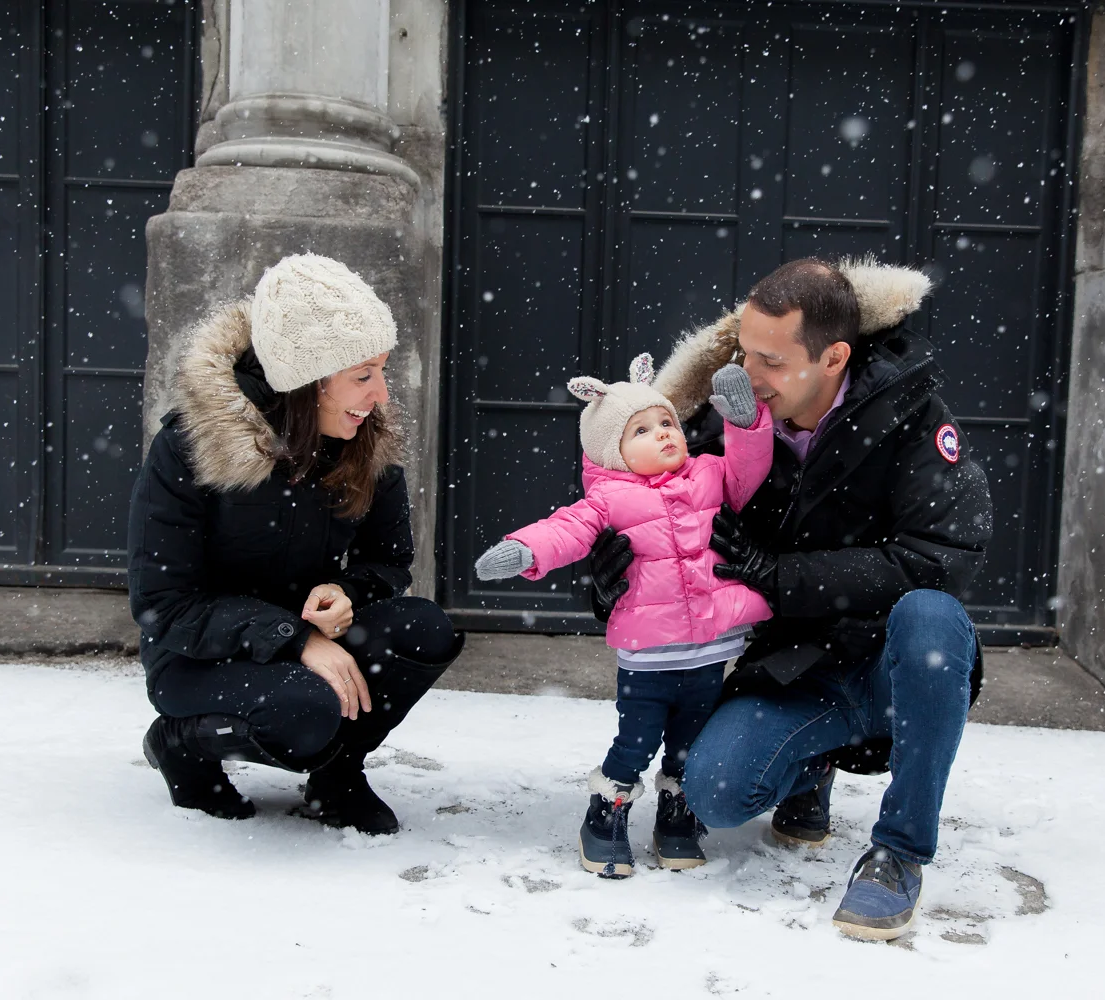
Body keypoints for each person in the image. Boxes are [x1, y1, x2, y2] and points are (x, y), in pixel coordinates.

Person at [586, 257, 993, 939]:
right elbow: (677, 546)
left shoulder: (916, 417)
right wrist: (612, 586)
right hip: (797, 660)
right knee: (716, 794)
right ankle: (813, 769)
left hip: (890, 659)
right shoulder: (731, 425)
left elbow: (941, 560)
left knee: (932, 619)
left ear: (833, 356)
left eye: (770, 361)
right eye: (743, 352)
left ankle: (898, 853)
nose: (747, 374)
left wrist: (781, 577)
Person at [128, 253, 463, 835]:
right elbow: (165, 604)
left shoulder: (366, 441)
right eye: (363, 375)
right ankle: (181, 743)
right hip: (197, 655)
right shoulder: (192, 449)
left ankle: (338, 771)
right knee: (305, 709)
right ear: (308, 379)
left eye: (381, 370)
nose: (381, 395)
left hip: (309, 639)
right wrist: (293, 638)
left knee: (423, 629)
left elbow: (389, 561)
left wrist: (346, 590)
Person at [474, 354, 772, 877]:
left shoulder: (709, 474)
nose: (663, 434)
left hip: (708, 651)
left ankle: (678, 816)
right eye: (642, 430)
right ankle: (605, 816)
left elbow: (750, 470)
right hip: (649, 657)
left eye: (667, 423)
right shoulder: (608, 498)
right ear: (613, 452)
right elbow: (564, 530)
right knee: (635, 742)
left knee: (690, 743)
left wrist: (744, 421)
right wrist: (525, 550)